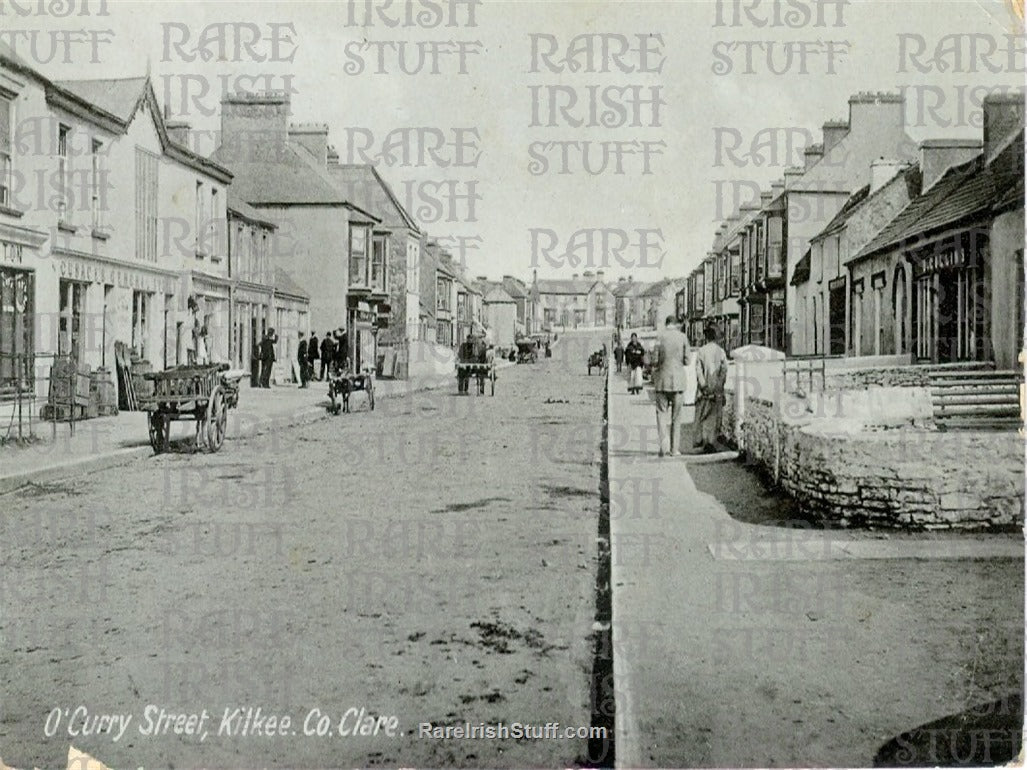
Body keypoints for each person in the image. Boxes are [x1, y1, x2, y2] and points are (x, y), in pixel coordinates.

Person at [651, 315, 691, 457]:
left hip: (662, 381)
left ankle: (663, 446)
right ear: (675, 324)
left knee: (661, 414)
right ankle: (674, 449)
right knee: (677, 417)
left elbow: (654, 361)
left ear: (666, 324)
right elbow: (687, 361)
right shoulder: (683, 337)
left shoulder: (659, 338)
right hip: (678, 382)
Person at [695, 324, 728, 454]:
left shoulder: (701, 351)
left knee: (704, 415)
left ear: (706, 337)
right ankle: (712, 441)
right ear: (715, 337)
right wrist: (719, 384)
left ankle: (705, 441)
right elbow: (724, 370)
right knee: (715, 415)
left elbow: (698, 370)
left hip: (705, 390)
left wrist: (703, 385)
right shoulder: (721, 352)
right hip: (717, 390)